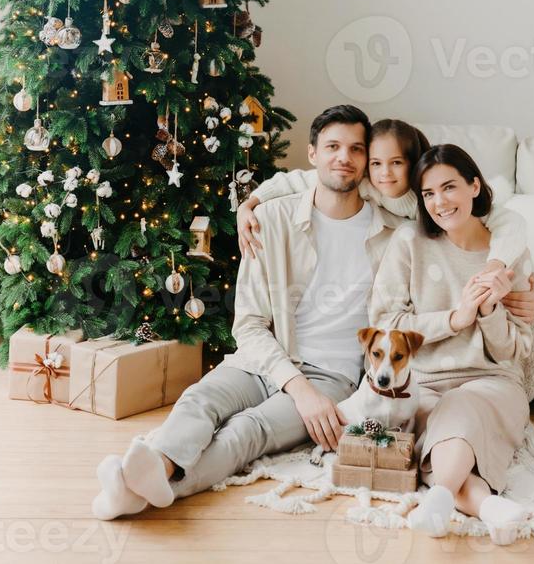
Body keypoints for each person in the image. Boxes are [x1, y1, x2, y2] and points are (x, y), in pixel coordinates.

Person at [92, 104, 397, 520]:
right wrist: (297, 387)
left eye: (355, 149)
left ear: (366, 160)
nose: (343, 157)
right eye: (332, 147)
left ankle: (145, 489)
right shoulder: (270, 220)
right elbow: (250, 324)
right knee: (200, 400)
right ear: (312, 155)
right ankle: (153, 474)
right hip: (265, 360)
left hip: (332, 376)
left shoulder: (391, 231)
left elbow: (447, 208)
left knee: (247, 431)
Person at [370, 144, 533, 545]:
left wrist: (491, 311)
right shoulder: (410, 241)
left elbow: (517, 352)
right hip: (423, 381)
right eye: (428, 194)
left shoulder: (510, 255)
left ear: (474, 185)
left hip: (493, 383)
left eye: (449, 187)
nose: (439, 202)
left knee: (458, 408)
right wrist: (455, 319)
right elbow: (384, 324)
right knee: (446, 427)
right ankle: (492, 508)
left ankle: (439, 496)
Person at [237, 118, 534, 322]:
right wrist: (250, 202)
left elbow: (511, 223)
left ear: (414, 163)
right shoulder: (368, 185)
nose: (385, 174)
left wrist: (495, 266)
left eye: (396, 163)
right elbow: (300, 180)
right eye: (376, 163)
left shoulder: (436, 195)